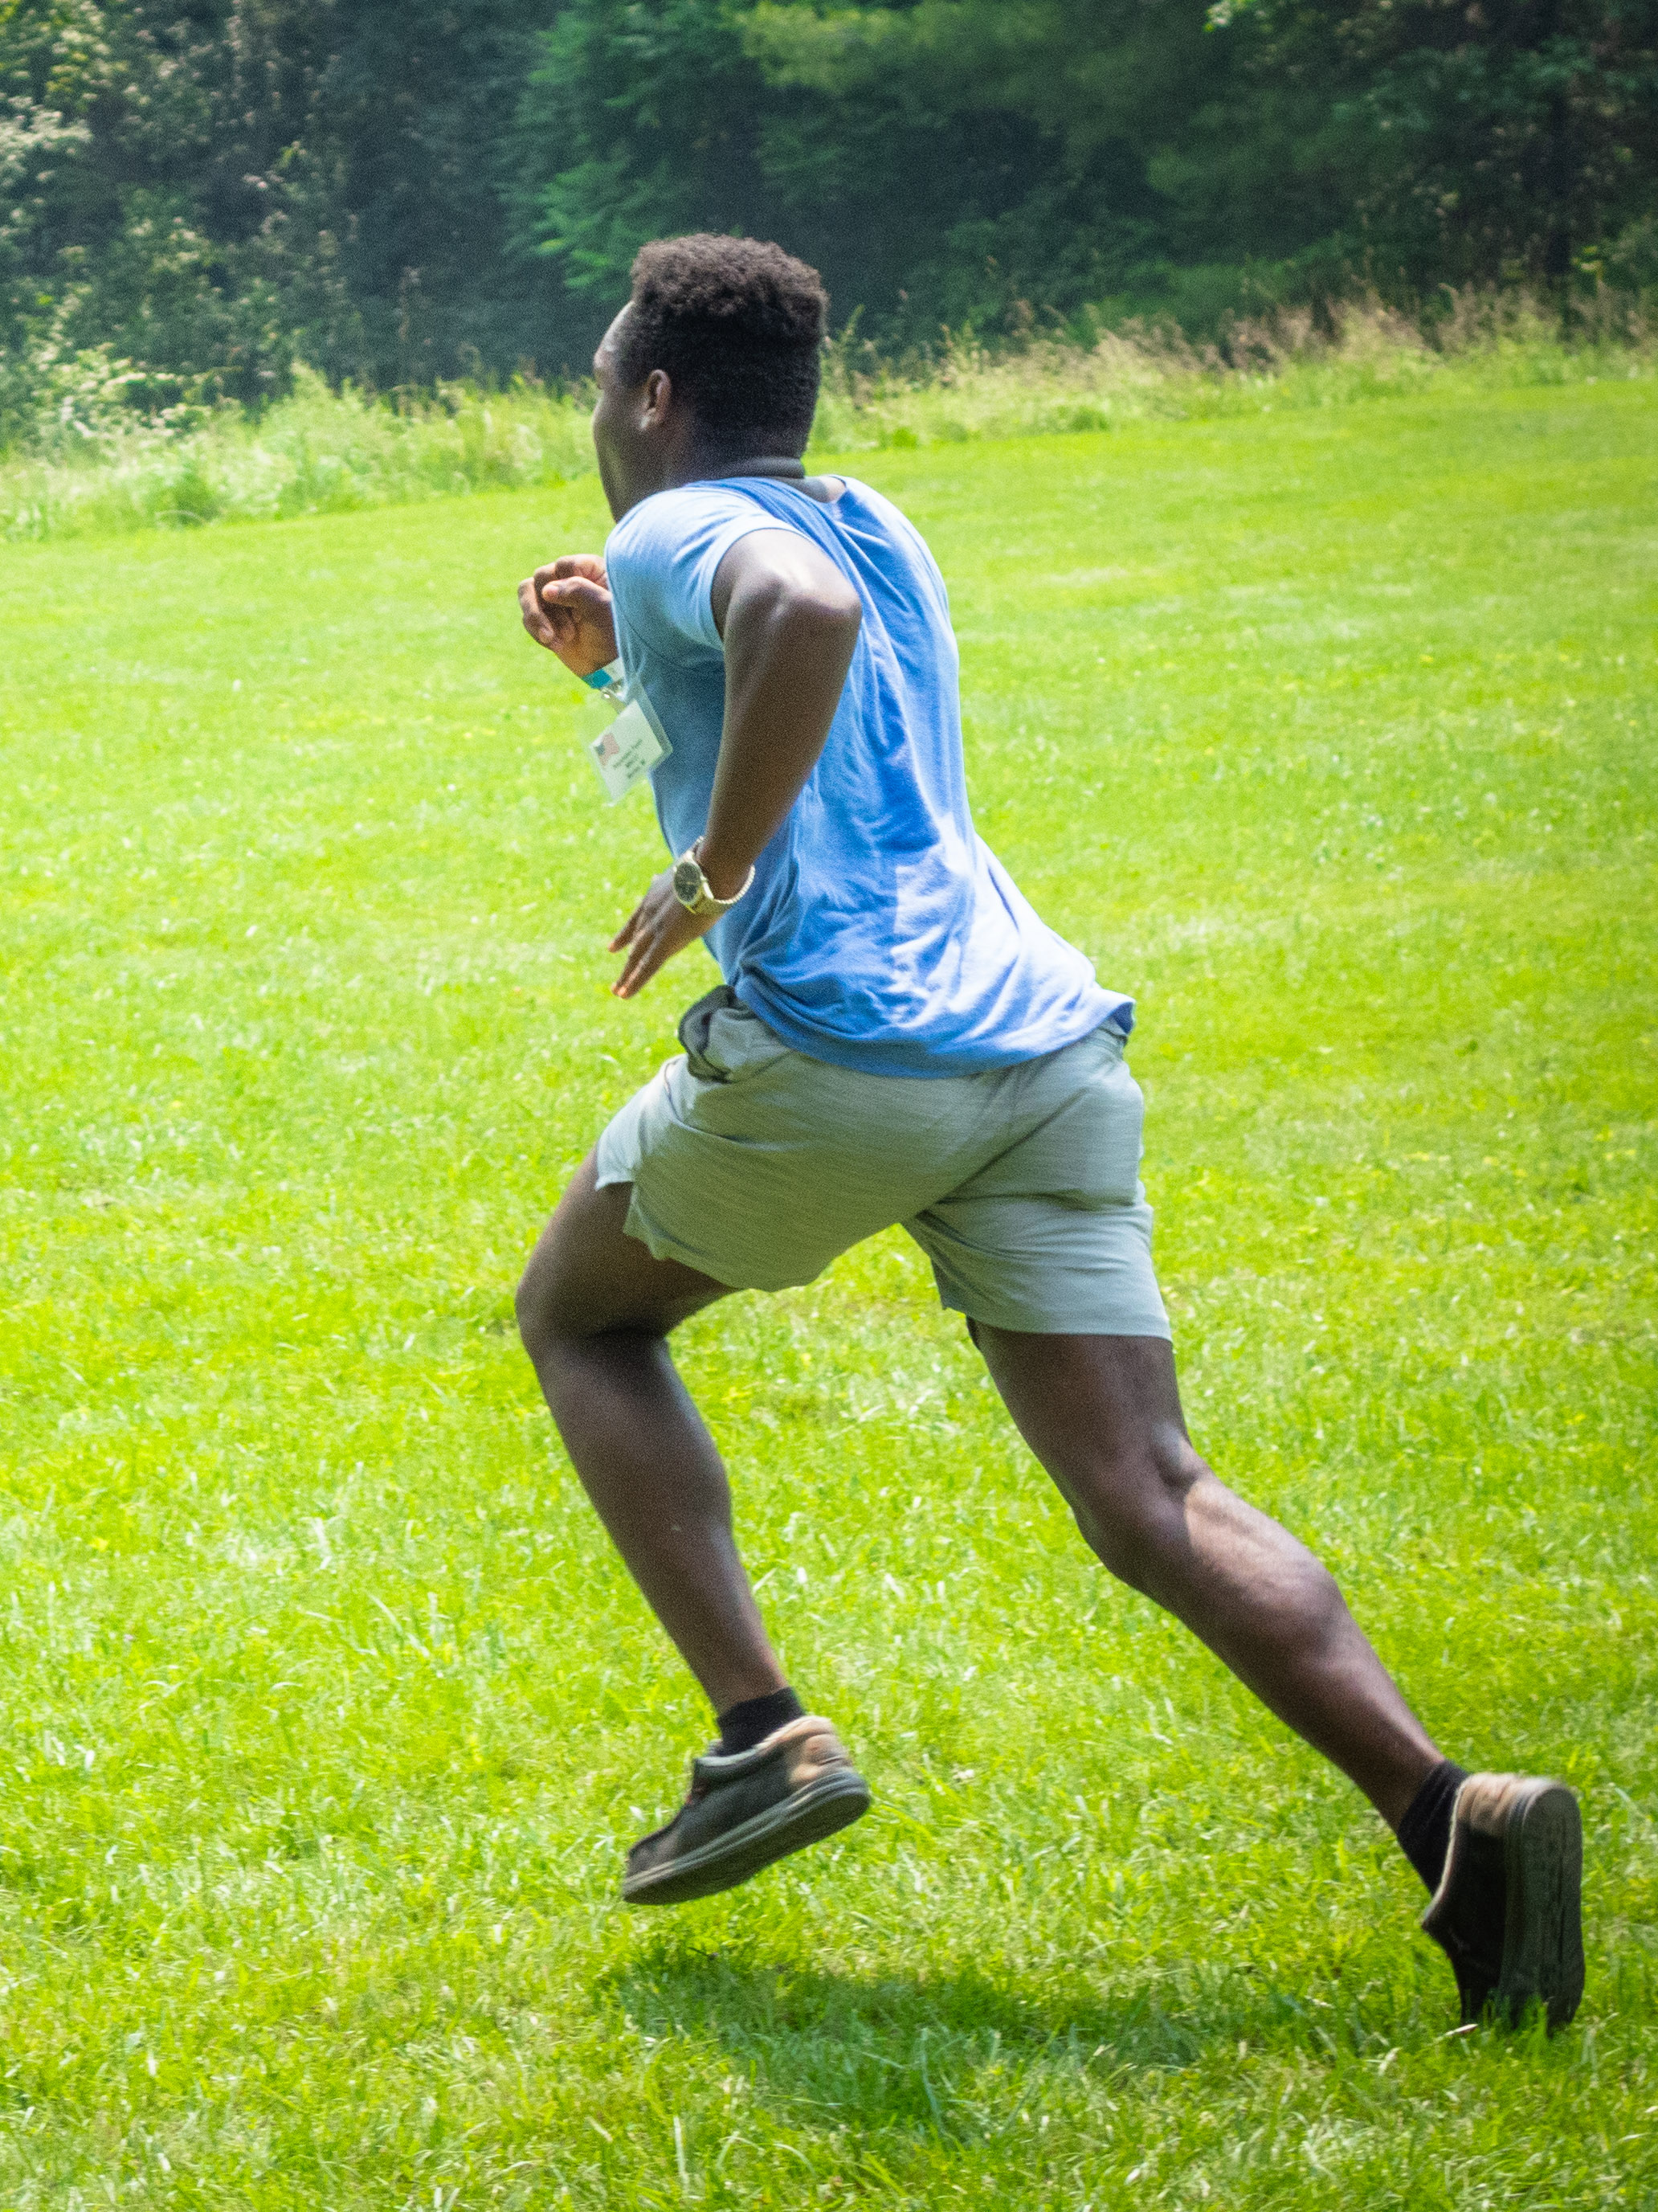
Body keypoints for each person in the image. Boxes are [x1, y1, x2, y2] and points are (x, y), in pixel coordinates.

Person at [511, 236, 1582, 2029]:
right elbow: (807, 655)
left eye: (600, 388)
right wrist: (630, 667)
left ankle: (762, 1735)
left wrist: (710, 872)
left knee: (580, 1317)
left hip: (848, 1053)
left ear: (657, 397)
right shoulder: (875, 518)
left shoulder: (682, 525)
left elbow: (797, 625)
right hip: (1043, 1050)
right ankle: (1454, 1820)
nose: (599, 422)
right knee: (1154, 1493)